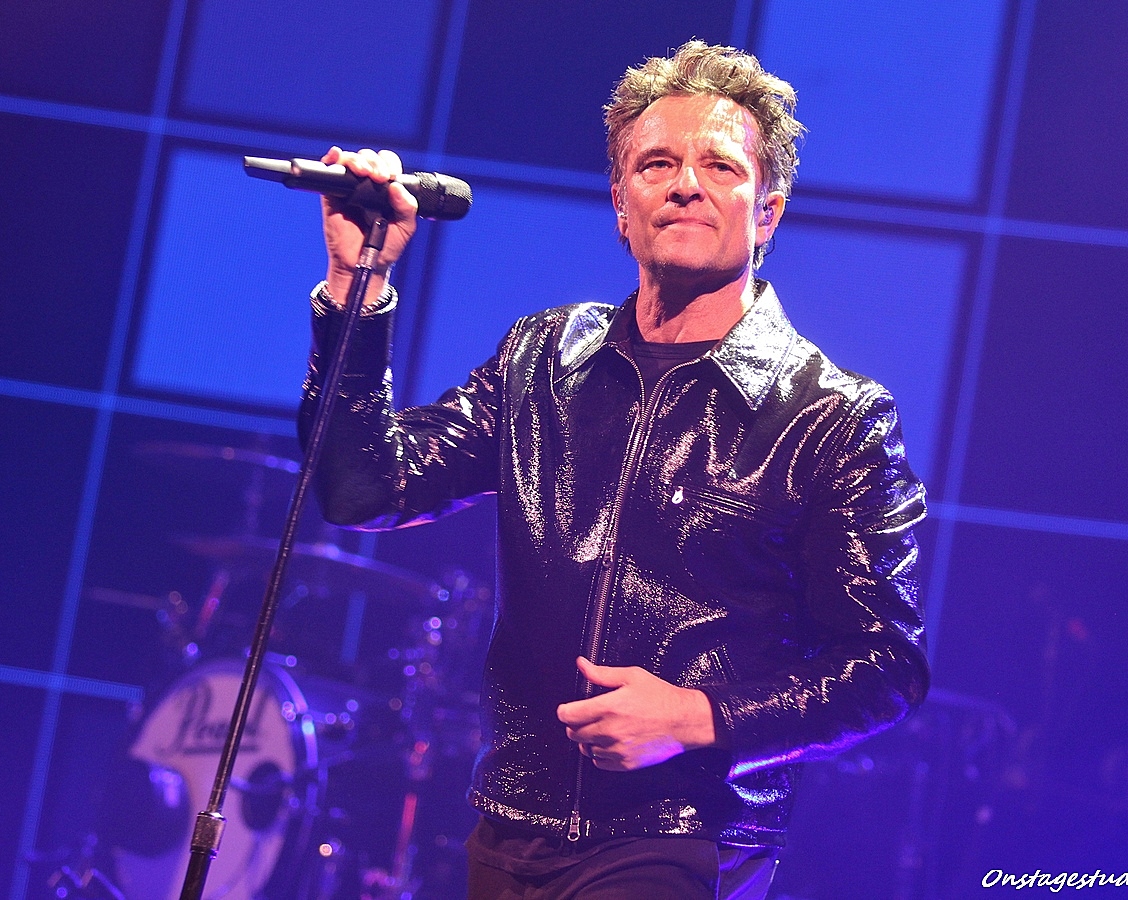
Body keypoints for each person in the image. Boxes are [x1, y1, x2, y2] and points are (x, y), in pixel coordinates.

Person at [299, 40, 928, 899]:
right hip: (511, 822)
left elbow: (884, 666)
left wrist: (701, 716)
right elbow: (365, 487)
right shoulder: (542, 358)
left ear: (767, 213)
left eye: (720, 165)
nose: (685, 185)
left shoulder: (831, 415)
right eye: (656, 164)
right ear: (621, 206)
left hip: (687, 833)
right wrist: (356, 283)